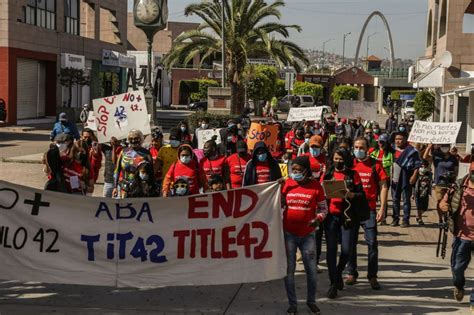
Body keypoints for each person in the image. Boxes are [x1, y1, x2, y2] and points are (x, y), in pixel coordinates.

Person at [281, 156, 328, 314]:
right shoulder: (286, 185)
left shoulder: (316, 187)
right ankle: (292, 304)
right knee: (289, 271)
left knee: (311, 271)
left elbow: (323, 209)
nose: (295, 173)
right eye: (293, 170)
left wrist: (318, 219)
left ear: (306, 171)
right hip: (289, 234)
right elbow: (278, 204)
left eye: (298, 170)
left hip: (308, 235)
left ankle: (311, 301)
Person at [345, 137, 388, 290]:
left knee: (372, 243)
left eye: (362, 147)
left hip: (368, 210)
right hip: (351, 209)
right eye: (356, 146)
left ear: (368, 148)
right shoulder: (349, 164)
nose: (358, 149)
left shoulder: (376, 165)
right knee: (350, 242)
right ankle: (351, 272)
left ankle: (372, 276)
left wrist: (382, 208)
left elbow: (383, 186)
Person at [323, 147, 365, 299]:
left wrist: (351, 194)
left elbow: (361, 195)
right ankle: (333, 283)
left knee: (347, 250)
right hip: (331, 218)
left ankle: (339, 272)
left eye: (341, 159)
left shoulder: (353, 175)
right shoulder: (328, 173)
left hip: (348, 217)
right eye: (335, 158)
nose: (338, 162)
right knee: (331, 251)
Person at [439, 162, 474, 303]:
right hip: (462, 236)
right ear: (470, 170)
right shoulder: (458, 186)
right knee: (457, 268)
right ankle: (459, 286)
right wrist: (442, 206)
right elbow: (442, 204)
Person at [391, 132, 422, 227]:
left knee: (406, 200)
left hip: (406, 177)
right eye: (396, 139)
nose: (398, 141)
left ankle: (405, 220)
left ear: (405, 139)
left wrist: (414, 176)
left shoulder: (412, 151)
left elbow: (417, 164)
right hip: (395, 178)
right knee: (395, 199)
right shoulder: (392, 150)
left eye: (400, 139)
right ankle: (395, 219)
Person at [424, 143, 459, 223]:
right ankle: (440, 218)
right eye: (443, 146)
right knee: (440, 201)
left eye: (446, 146)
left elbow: (456, 171)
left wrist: (454, 179)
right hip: (439, 183)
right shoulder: (437, 156)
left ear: (449, 147)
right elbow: (425, 158)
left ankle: (448, 217)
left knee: (449, 202)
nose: (445, 148)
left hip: (450, 184)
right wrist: (429, 147)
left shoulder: (453, 158)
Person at [113, 130, 153, 199]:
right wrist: (115, 187)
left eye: (136, 138)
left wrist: (149, 188)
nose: (133, 141)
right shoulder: (123, 152)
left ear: (140, 139)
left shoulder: (146, 154)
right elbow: (117, 170)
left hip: (140, 189)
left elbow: (151, 172)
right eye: (131, 139)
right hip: (124, 188)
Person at [81, 128, 102, 194]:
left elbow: (97, 166)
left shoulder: (95, 147)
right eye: (85, 137)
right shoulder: (78, 147)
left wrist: (95, 156)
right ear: (81, 137)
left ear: (92, 137)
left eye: (89, 137)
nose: (87, 139)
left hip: (90, 177)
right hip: (79, 176)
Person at [414, 159, 432, 225]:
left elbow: (431, 181)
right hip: (418, 192)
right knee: (419, 206)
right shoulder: (416, 174)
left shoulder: (429, 174)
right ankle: (420, 219)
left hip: (425, 192)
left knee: (425, 207)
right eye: (421, 167)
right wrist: (413, 194)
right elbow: (413, 184)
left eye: (425, 167)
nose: (423, 168)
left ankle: (418, 215)